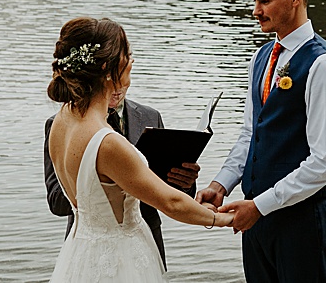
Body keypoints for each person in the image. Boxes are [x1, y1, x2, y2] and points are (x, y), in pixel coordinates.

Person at [198, 0, 326, 283]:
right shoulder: (261, 57)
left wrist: (260, 206)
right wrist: (221, 183)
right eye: (255, 1)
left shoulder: (324, 66)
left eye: (264, 1)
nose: (256, 11)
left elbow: (325, 162)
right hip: (257, 219)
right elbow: (251, 134)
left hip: (302, 221)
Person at [46, 17, 233, 283]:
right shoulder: (107, 141)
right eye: (127, 55)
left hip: (81, 254)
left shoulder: (63, 120)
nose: (132, 61)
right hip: (120, 259)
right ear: (108, 69)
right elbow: (171, 203)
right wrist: (225, 219)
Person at [43, 81, 199, 268]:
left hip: (146, 245)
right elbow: (56, 203)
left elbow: (170, 193)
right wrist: (106, 184)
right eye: (110, 80)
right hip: (92, 249)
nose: (117, 88)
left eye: (122, 77)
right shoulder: (62, 123)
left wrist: (184, 183)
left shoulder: (150, 116)